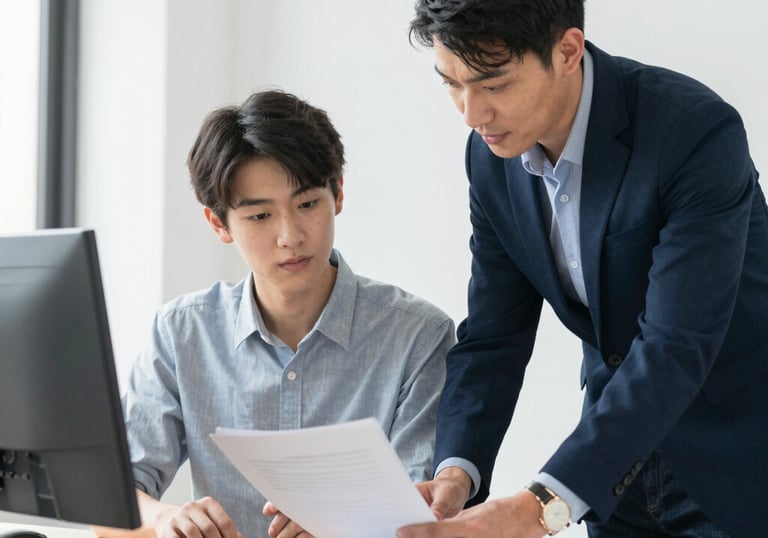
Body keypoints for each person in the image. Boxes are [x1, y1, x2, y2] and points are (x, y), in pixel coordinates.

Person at [397, 1, 768, 537]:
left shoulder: (694, 132)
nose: (471, 114)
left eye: (493, 84)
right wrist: (456, 472)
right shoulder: (490, 158)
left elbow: (675, 347)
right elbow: (494, 334)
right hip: (610, 467)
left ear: (567, 51)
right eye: (452, 83)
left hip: (733, 457)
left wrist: (535, 509)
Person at [121, 89, 455, 538]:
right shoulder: (182, 333)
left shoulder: (419, 337)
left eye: (307, 204)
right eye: (260, 217)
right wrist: (166, 520)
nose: (291, 236)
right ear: (219, 224)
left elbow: (424, 510)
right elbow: (116, 493)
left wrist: (342, 529)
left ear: (337, 193)